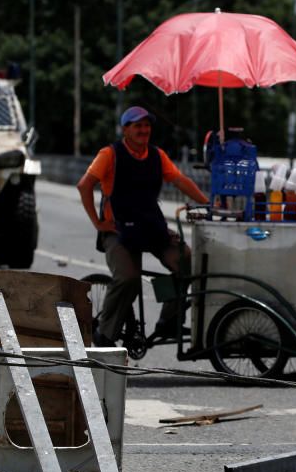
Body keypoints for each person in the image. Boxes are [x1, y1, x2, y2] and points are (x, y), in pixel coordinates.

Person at [77, 106, 209, 346]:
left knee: (187, 262)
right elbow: (84, 185)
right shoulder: (110, 154)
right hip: (118, 230)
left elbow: (180, 180)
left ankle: (168, 320)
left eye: (147, 125)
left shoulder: (157, 155)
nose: (143, 130)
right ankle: (105, 335)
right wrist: (98, 223)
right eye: (137, 125)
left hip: (151, 227)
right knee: (128, 277)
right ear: (125, 129)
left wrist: (208, 203)